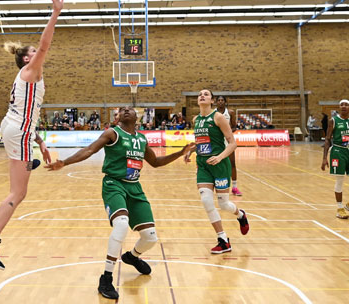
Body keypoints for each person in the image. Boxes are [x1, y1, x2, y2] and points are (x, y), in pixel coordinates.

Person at [45, 106, 195, 300]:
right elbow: (90, 150)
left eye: (129, 109)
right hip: (113, 184)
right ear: (117, 117)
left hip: (135, 188)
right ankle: (106, 278)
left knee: (150, 238)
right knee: (121, 224)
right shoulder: (112, 133)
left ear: (137, 117)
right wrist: (64, 162)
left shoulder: (141, 139)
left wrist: (180, 152)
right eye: (122, 110)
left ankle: (132, 257)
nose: (125, 111)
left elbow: (156, 162)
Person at [0, 0, 62, 270]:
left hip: (15, 127)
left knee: (24, 164)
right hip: (18, 132)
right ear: (26, 60)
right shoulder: (31, 71)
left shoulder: (27, 76)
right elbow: (46, 44)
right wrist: (55, 12)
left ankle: (30, 159)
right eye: (33, 53)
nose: (39, 54)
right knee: (18, 193)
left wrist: (41, 143)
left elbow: (28, 115)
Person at [186, 89, 249, 254]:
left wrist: (220, 157)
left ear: (212, 100)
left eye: (206, 94)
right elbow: (201, 142)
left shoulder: (218, 117)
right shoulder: (196, 119)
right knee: (206, 201)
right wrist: (191, 151)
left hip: (220, 164)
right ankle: (223, 239)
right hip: (203, 165)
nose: (202, 96)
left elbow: (232, 143)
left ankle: (241, 215)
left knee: (224, 204)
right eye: (199, 94)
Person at [321, 99, 349, 219]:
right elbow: (327, 139)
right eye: (341, 105)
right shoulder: (333, 121)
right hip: (338, 151)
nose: (344, 106)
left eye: (346, 105)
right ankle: (339, 208)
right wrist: (324, 158)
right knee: (340, 180)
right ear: (339, 107)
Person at [216, 96, 242, 196]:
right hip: (217, 142)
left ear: (225, 102)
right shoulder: (213, 113)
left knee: (232, 164)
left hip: (228, 142)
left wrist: (229, 132)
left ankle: (234, 187)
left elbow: (234, 126)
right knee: (217, 164)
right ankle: (218, 186)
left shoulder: (230, 112)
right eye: (218, 100)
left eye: (222, 100)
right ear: (216, 102)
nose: (220, 102)